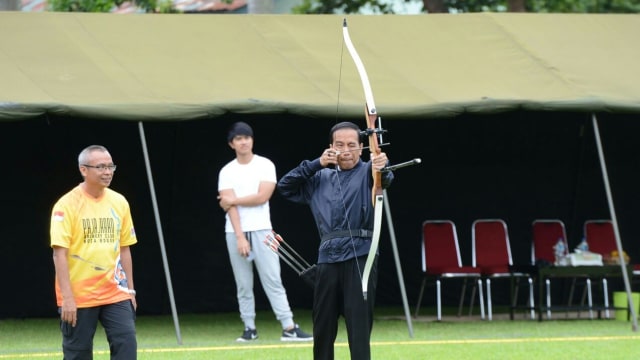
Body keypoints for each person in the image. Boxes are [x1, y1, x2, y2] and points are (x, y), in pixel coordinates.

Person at [277, 121, 393, 360]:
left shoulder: (369, 171)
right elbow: (285, 186)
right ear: (330, 147)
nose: (346, 150)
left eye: (352, 145)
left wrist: (382, 165)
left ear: (362, 147)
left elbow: (384, 178)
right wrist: (316, 163)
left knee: (358, 327)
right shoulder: (320, 176)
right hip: (327, 258)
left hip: (361, 255)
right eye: (339, 145)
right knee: (323, 326)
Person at [217, 121, 313, 342]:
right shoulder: (227, 171)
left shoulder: (265, 164)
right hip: (235, 232)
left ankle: (288, 327)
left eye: (247, 137)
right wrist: (240, 236)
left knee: (273, 279)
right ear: (232, 144)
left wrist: (234, 200)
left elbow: (263, 196)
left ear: (252, 140)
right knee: (243, 283)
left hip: (263, 230)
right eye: (239, 138)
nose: (244, 142)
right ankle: (249, 328)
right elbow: (228, 206)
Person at [50, 145, 138, 359]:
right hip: (79, 296)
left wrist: (131, 291)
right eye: (101, 167)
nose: (107, 172)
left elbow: (124, 247)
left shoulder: (119, 201)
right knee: (77, 353)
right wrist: (67, 298)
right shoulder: (66, 204)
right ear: (83, 170)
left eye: (110, 166)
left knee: (127, 345)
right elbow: (59, 254)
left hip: (116, 291)